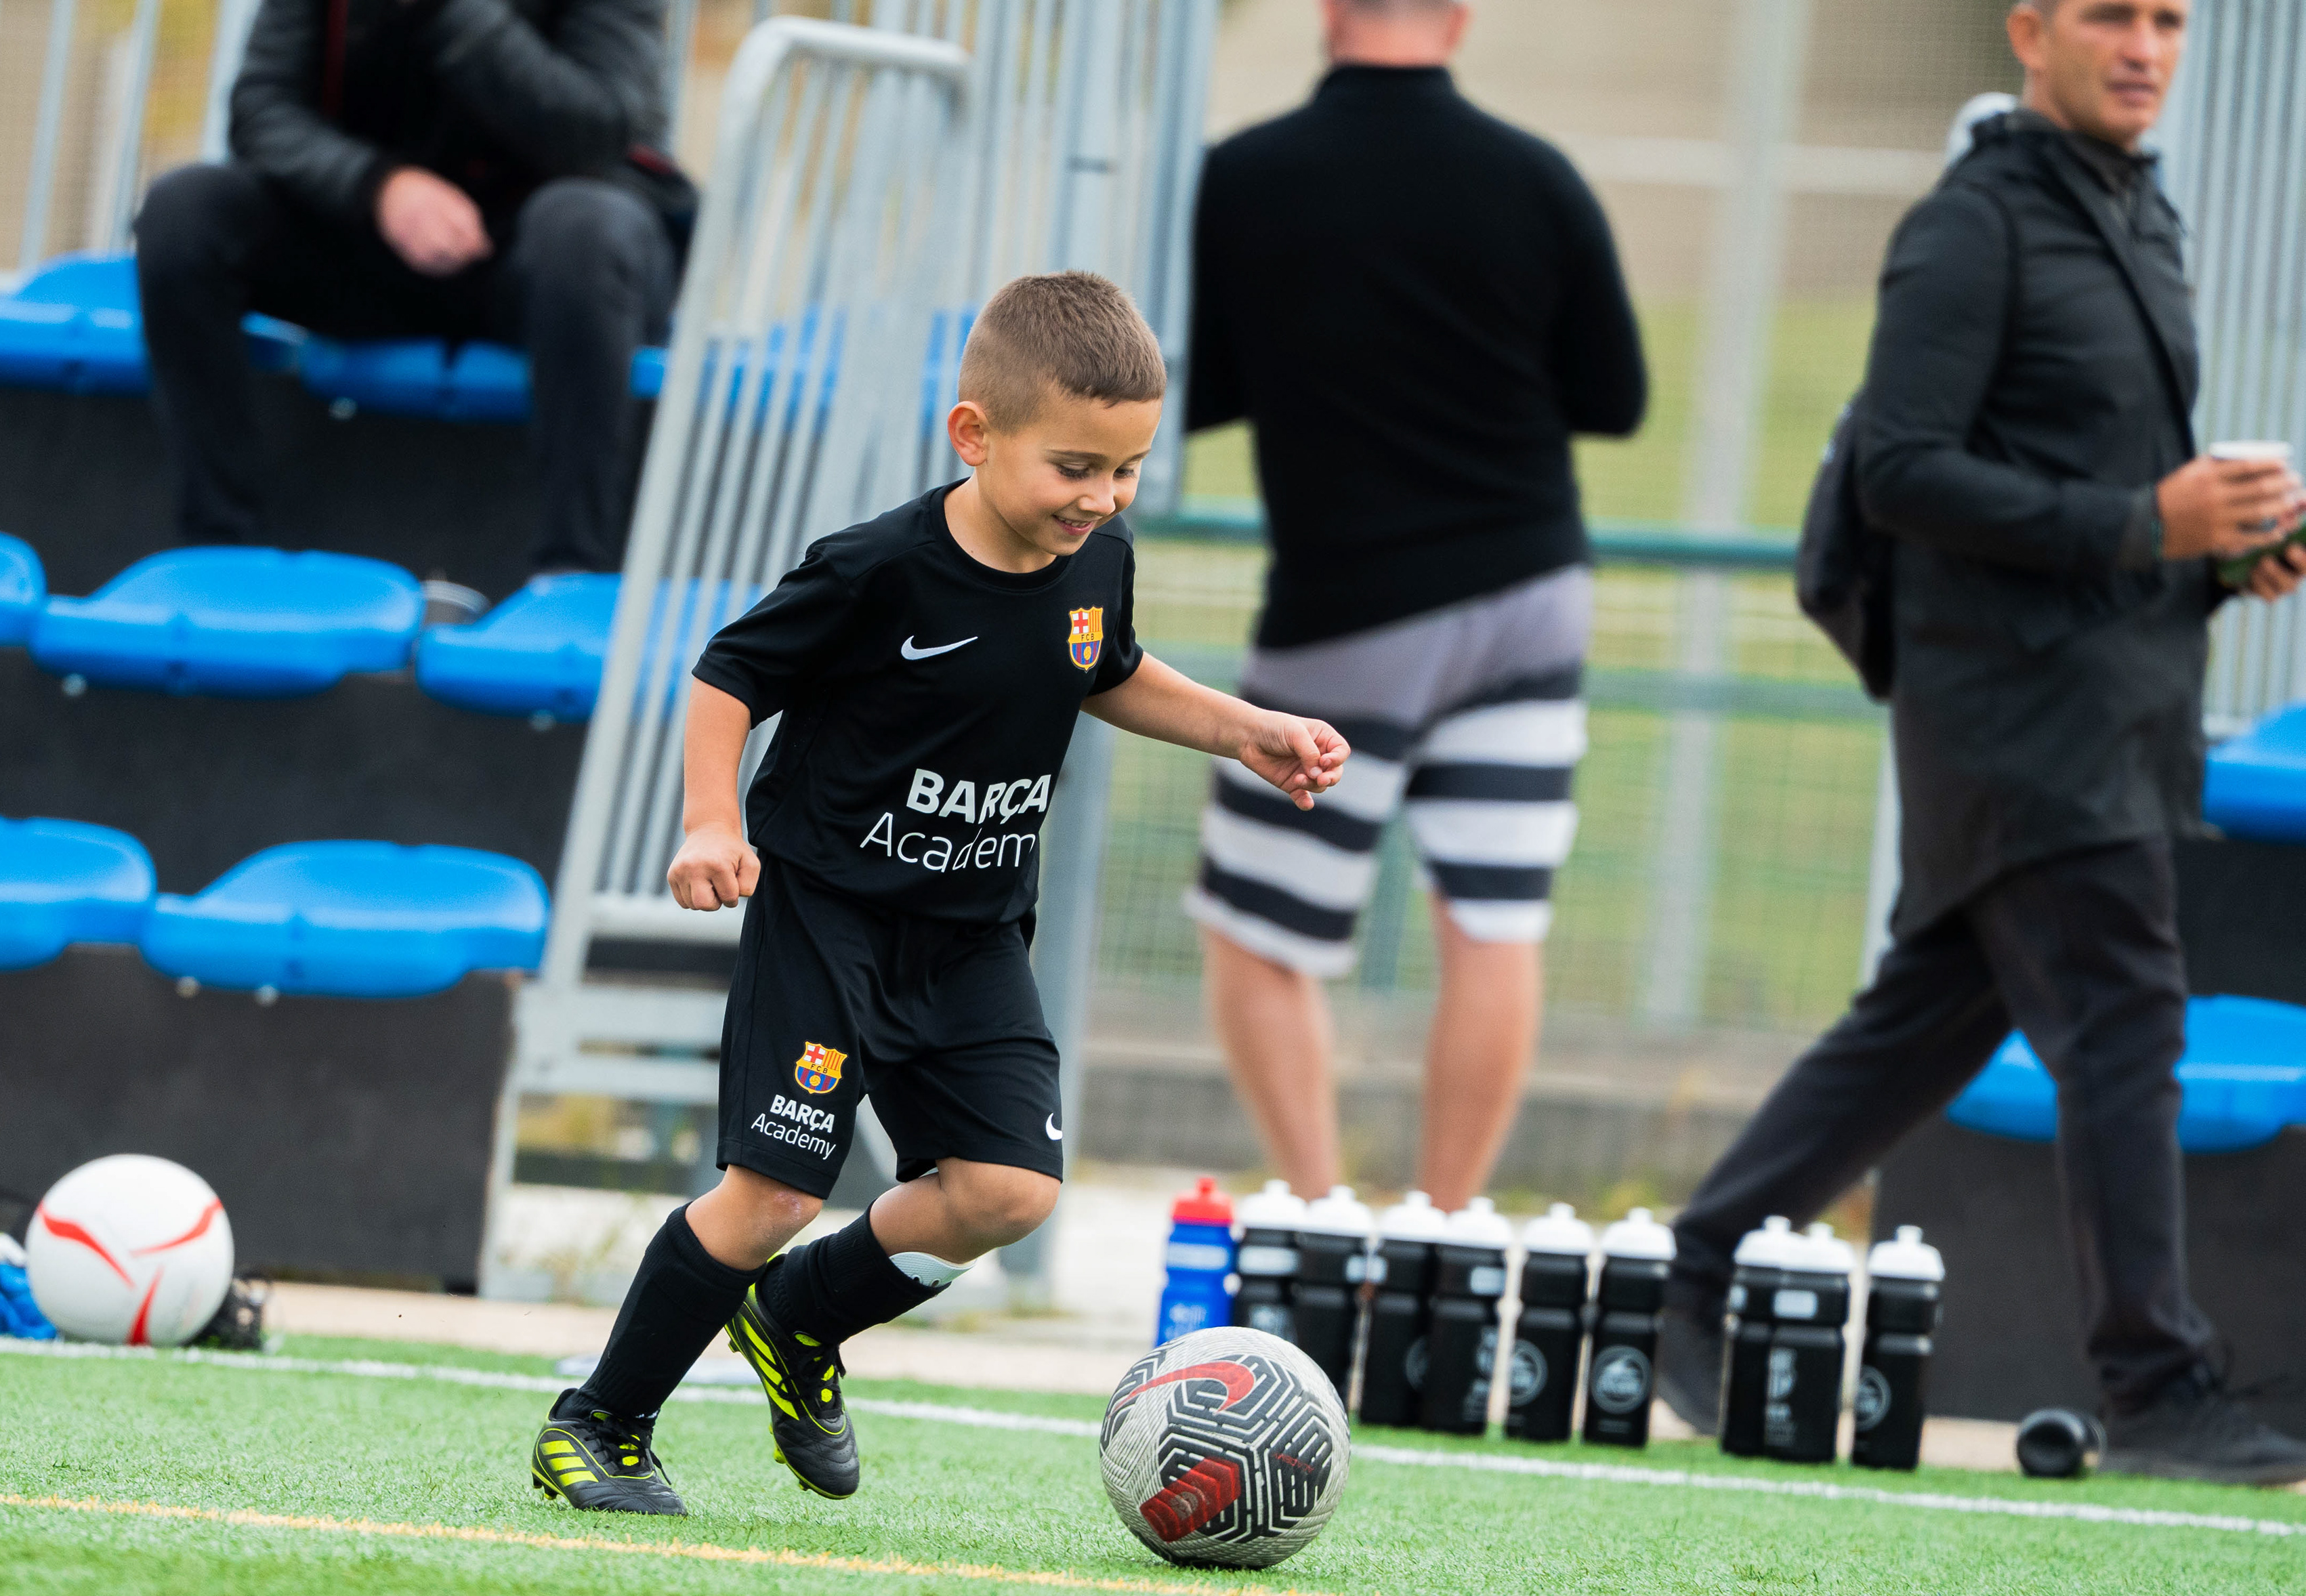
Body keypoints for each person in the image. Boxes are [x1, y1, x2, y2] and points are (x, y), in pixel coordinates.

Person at [528, 273, 1351, 1515]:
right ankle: (598, 1423)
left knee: (1006, 1192)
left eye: (1126, 471)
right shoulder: (879, 570)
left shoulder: (1097, 558)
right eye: (1075, 467)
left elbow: (1105, 667)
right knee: (777, 1194)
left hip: (974, 934)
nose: (1102, 497)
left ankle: (799, 1319)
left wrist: (1246, 731)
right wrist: (709, 819)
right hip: (832, 917)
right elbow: (727, 675)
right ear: (974, 435)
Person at [1655, 0, 2306, 1485]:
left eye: (2168, 19)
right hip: (2017, 719)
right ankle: (2157, 1385)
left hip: (2111, 704)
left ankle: (1699, 1269)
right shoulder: (1973, 224)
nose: (2145, 46)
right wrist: (2147, 522)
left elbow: (2093, 495)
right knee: (2128, 1019)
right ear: (2029, 31)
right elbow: (1901, 472)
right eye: (2110, 16)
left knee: (1931, 1019)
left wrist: (2216, 558)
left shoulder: (2139, 215)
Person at [1181, 0, 1645, 1206]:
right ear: (1460, 17)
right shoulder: (1537, 177)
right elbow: (1617, 398)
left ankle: (1322, 1219)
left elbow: (1195, 387)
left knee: (1256, 928)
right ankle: (1442, 1236)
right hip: (1532, 594)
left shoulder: (1245, 177)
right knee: (1493, 922)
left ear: (1332, 9)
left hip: (1352, 611)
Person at [133, 0, 687, 576]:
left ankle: (572, 575)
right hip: (371, 243)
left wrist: (446, 13)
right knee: (184, 212)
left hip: (551, 260)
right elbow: (261, 110)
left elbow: (598, 131)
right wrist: (378, 186)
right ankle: (220, 554)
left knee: (583, 229)